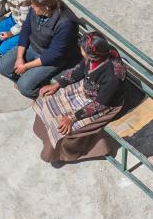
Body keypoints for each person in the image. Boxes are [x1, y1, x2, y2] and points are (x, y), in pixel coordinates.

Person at [32, 33, 127, 163]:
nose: (81, 52)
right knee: (46, 99)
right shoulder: (98, 53)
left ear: (92, 56)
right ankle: (45, 137)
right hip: (88, 88)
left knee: (63, 128)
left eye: (82, 50)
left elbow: (100, 104)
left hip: (105, 104)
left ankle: (67, 152)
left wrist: (72, 118)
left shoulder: (113, 75)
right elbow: (80, 69)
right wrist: (58, 84)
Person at [0, 0, 80, 99]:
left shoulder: (66, 24)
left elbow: (53, 55)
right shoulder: (37, 7)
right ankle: (30, 81)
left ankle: (44, 96)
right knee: (3, 66)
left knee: (24, 87)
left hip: (53, 58)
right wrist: (19, 58)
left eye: (34, 6)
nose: (31, 7)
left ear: (46, 8)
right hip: (35, 46)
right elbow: (26, 30)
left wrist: (25, 66)